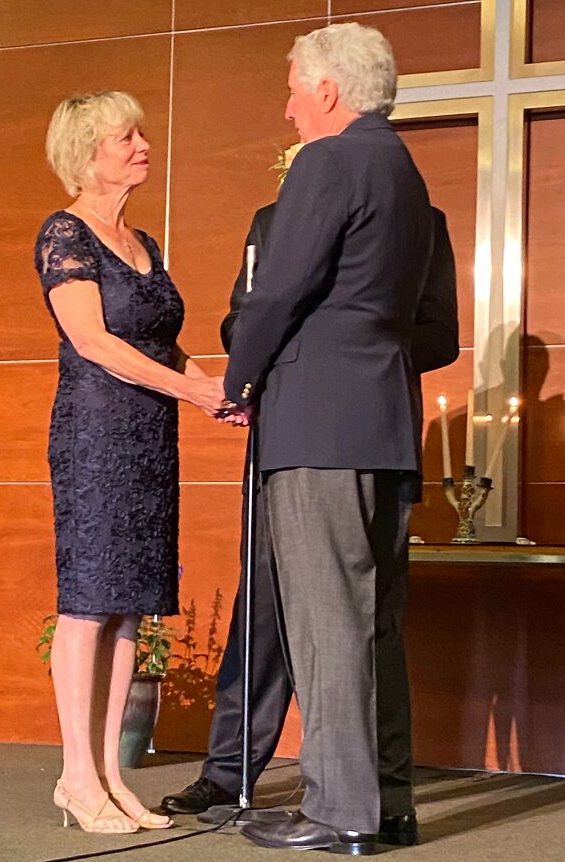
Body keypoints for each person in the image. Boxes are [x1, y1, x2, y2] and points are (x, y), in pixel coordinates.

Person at [162, 192, 458, 820]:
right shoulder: (273, 220)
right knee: (262, 607)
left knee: (376, 617)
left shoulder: (421, 223)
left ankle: (385, 790)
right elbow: (240, 320)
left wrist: (355, 334)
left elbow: (442, 336)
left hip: (377, 435)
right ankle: (229, 772)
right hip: (290, 435)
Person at [220, 22, 442, 853]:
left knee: (326, 623)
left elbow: (276, 292)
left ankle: (337, 812)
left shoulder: (330, 161)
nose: (286, 110)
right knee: (373, 620)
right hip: (384, 423)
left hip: (318, 423)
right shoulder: (406, 173)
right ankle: (385, 803)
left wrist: (240, 381)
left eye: (290, 89)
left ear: (327, 89)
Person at [33, 91, 224, 835]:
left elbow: (156, 343)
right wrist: (190, 392)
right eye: (127, 136)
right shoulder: (65, 232)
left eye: (140, 132)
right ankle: (75, 776)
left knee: (127, 607)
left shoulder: (144, 239)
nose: (143, 144)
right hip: (95, 438)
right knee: (86, 603)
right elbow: (94, 342)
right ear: (88, 153)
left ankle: (110, 772)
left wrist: (213, 386)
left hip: (149, 438)